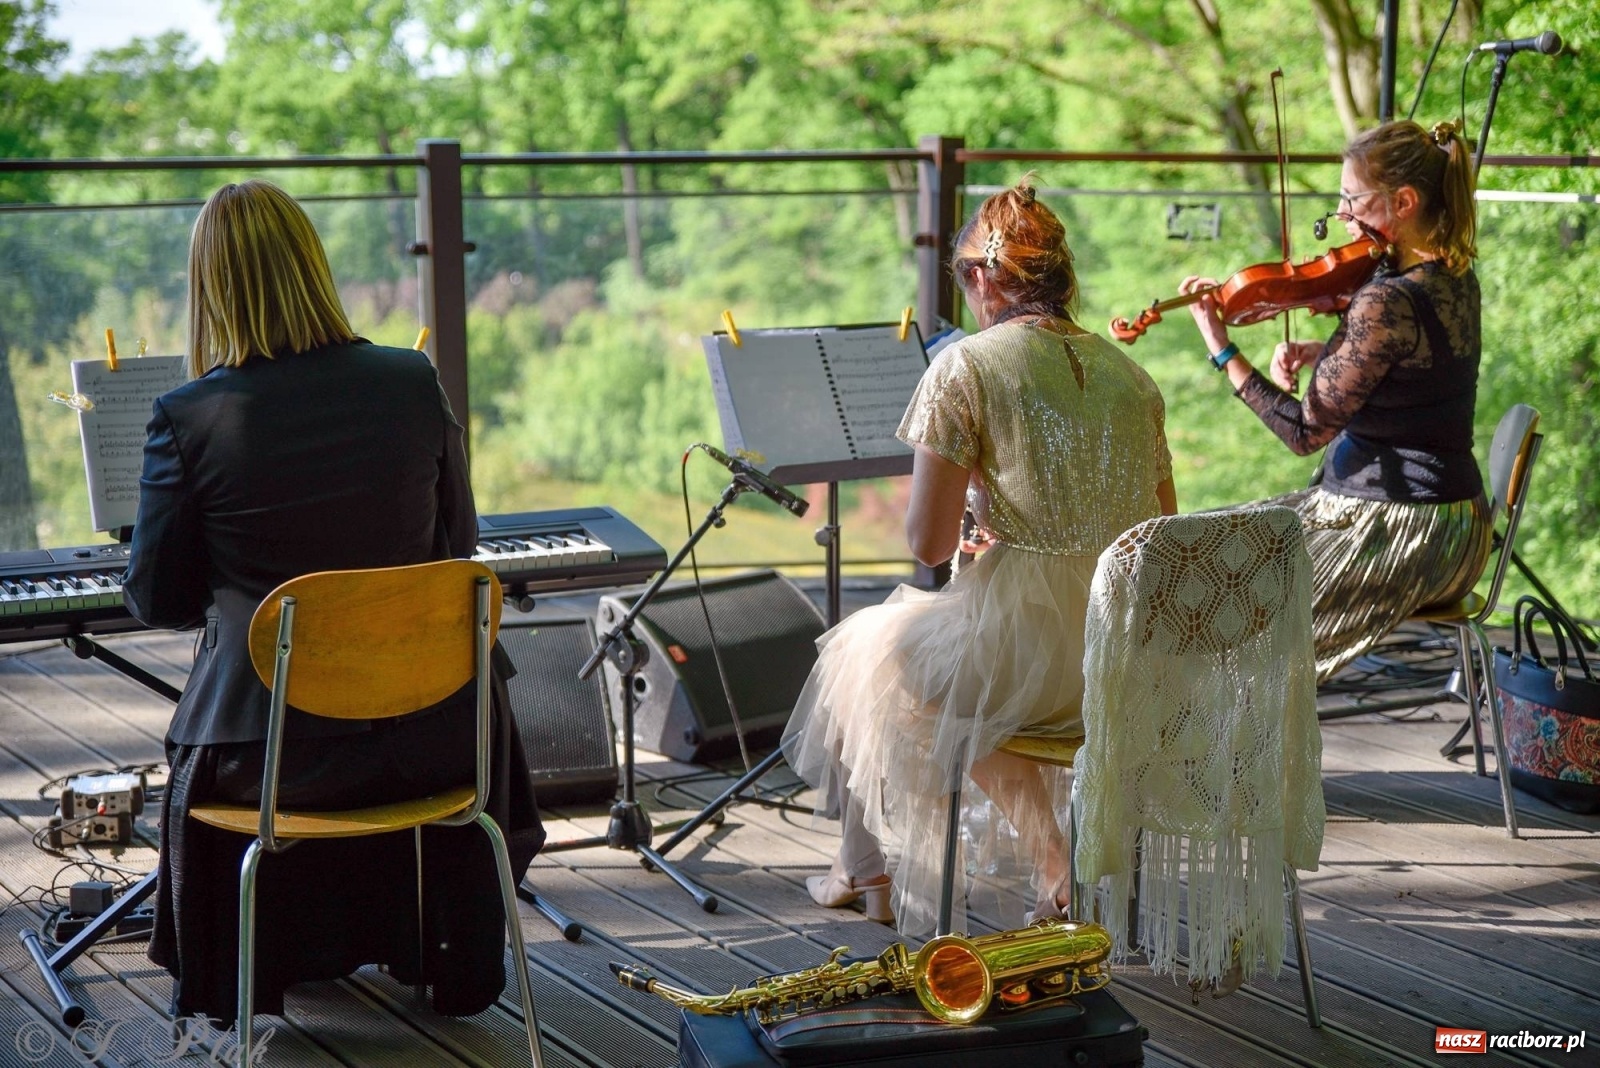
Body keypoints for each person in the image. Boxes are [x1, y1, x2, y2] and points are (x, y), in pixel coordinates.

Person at [123, 179, 545, 1025]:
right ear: (313, 267)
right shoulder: (411, 379)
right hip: (445, 741)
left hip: (279, 761)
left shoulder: (188, 417)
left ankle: (276, 956)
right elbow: (458, 544)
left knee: (197, 762)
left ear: (208, 288)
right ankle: (421, 945)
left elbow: (158, 599)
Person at [782, 176, 1177, 937]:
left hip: (1035, 652)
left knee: (870, 655)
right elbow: (1158, 528)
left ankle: (1031, 866)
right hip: (1127, 650)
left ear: (985, 280)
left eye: (966, 285)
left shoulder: (964, 366)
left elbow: (927, 545)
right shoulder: (1134, 378)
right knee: (894, 661)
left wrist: (975, 501)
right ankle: (862, 868)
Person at [1177, 119, 1490, 682]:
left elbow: (1303, 432)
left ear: (1403, 202)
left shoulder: (1384, 300)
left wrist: (1221, 347)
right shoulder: (1453, 277)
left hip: (1403, 529)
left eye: (1351, 199)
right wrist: (1328, 352)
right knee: (1200, 559)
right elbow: (1421, 374)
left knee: (1218, 605)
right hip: (1457, 523)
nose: (1341, 216)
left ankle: (1242, 731)